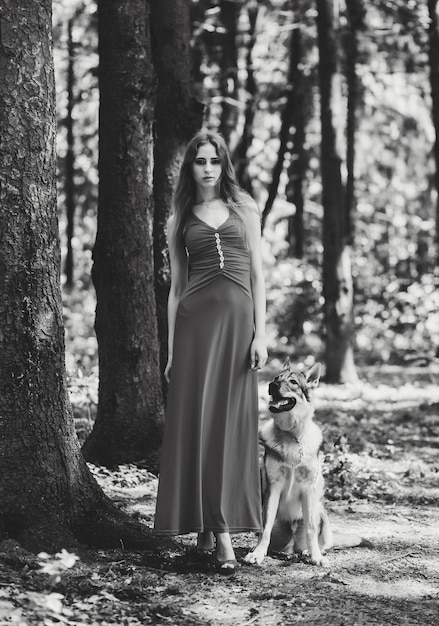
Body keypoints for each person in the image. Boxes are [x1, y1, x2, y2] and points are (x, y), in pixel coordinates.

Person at [153, 129, 267, 575]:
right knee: (199, 425)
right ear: (190, 167)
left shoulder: (246, 208)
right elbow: (176, 289)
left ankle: (213, 524)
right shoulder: (181, 217)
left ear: (223, 165)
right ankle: (218, 535)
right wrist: (172, 351)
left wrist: (261, 335)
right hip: (195, 330)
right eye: (199, 161)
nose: (207, 168)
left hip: (239, 329)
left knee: (229, 425)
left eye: (213, 161)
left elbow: (258, 275)